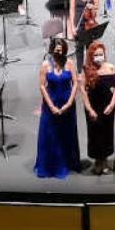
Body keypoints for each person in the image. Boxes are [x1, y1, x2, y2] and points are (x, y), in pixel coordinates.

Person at [35, 38, 82, 178]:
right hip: (51, 104)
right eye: (56, 50)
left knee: (67, 133)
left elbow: (75, 83)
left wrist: (69, 103)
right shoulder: (45, 65)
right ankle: (52, 165)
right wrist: (51, 106)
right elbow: (42, 86)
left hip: (68, 105)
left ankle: (69, 162)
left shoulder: (70, 63)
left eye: (61, 50)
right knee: (50, 134)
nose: (59, 52)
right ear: (52, 49)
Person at [81, 42, 115, 175]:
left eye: (101, 54)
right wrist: (89, 109)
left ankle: (105, 160)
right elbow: (83, 92)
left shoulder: (110, 68)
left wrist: (112, 104)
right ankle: (98, 161)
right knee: (94, 133)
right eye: (96, 55)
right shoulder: (86, 70)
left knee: (107, 132)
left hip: (108, 107)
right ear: (91, 56)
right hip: (93, 107)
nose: (99, 57)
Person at [68, 0, 101, 69]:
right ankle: (79, 71)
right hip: (79, 23)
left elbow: (97, 7)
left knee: (90, 49)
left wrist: (92, 7)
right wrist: (73, 27)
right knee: (79, 49)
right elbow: (72, 10)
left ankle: (90, 70)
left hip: (90, 24)